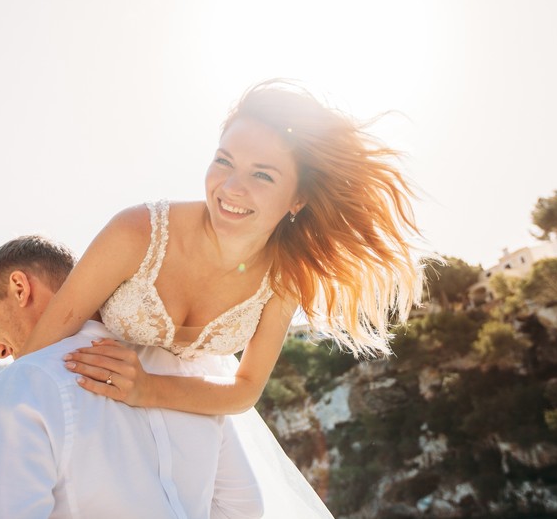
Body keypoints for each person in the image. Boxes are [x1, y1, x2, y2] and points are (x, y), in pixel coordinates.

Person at [21, 80, 423, 516]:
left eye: (262, 175)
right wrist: (16, 422)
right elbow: (47, 337)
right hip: (96, 401)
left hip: (186, 411)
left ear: (298, 198)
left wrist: (148, 388)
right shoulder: (137, 231)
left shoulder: (284, 278)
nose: (231, 188)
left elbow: (245, 390)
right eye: (223, 161)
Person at [0, 235, 263, 519]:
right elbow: (244, 508)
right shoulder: (187, 373)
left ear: (20, 288)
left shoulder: (24, 384)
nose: (0, 351)